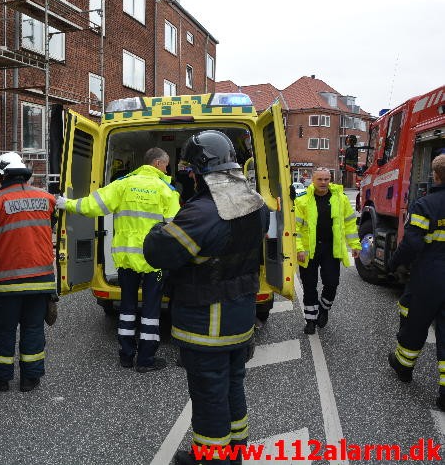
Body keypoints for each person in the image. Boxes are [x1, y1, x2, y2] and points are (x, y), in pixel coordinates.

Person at [143, 131, 269, 465]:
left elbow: (159, 252)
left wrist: (160, 227)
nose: (188, 175)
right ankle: (236, 450)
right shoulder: (256, 205)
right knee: (232, 385)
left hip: (207, 322)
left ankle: (211, 459)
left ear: (198, 171)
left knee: (209, 394)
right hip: (241, 317)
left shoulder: (201, 213)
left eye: (189, 170)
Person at [55, 148, 180, 372]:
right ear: (158, 163)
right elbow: (176, 228)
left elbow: (93, 205)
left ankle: (126, 355)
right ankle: (145, 360)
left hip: (125, 259)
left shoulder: (122, 185)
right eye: (166, 164)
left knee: (127, 306)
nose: (167, 169)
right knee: (151, 311)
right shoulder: (166, 190)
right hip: (154, 261)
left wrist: (67, 204)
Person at [0, 152, 56, 392]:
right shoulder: (46, 198)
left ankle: (0, 378)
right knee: (33, 328)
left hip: (7, 281)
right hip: (41, 280)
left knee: (3, 330)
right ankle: (31, 378)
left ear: (2, 175)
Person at [387, 154, 445, 412]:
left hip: (431, 274)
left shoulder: (425, 205)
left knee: (415, 321)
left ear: (436, 175)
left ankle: (404, 367)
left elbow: (411, 243)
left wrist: (392, 263)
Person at [295, 167, 361, 335]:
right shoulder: (302, 200)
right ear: (312, 180)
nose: (323, 183)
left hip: (331, 249)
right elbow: (295, 228)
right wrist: (299, 249)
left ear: (330, 180)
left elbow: (349, 223)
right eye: (320, 179)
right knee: (309, 286)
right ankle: (310, 320)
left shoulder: (341, 199)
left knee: (332, 283)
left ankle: (324, 309)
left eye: (326, 179)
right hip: (309, 250)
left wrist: (355, 244)